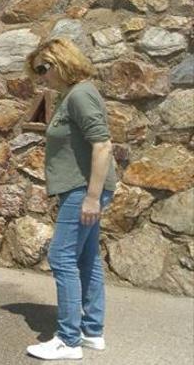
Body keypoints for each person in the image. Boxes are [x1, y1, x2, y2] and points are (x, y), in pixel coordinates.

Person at [24, 38, 116, 360]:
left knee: (61, 258)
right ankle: (92, 331)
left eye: (43, 69)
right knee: (87, 259)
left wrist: (92, 197)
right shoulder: (69, 96)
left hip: (83, 190)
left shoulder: (80, 94)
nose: (41, 77)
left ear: (61, 62)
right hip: (79, 189)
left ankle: (68, 339)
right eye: (37, 72)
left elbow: (102, 144)